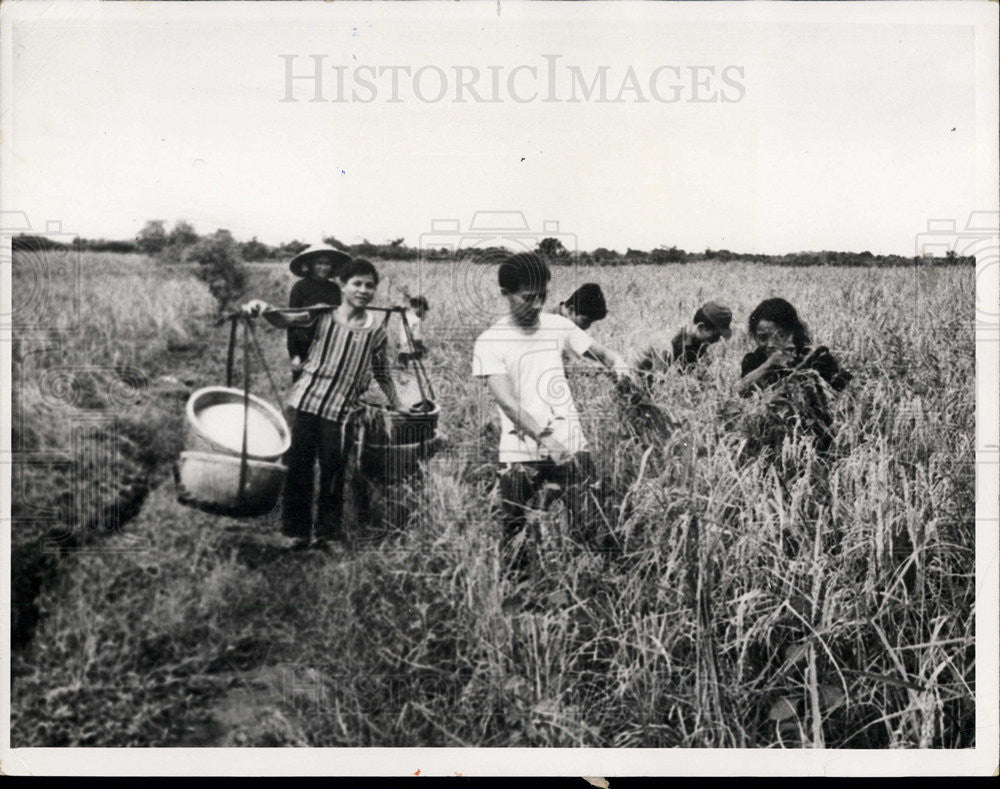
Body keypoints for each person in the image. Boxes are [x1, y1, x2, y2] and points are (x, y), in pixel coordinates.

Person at [472, 253, 632, 575]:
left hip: (571, 442)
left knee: (590, 521)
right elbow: (506, 400)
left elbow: (603, 353)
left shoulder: (560, 326)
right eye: (528, 298)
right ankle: (518, 600)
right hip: (521, 451)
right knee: (515, 532)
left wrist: (619, 364)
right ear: (505, 294)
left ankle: (590, 588)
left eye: (542, 296)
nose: (537, 305)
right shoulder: (490, 341)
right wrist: (545, 439)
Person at [242, 257, 401, 551]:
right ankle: (295, 532)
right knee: (298, 468)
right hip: (306, 401)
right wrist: (262, 307)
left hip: (341, 412)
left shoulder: (376, 330)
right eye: (357, 283)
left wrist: (398, 407)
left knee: (334, 471)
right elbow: (284, 319)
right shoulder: (321, 314)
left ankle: (328, 535)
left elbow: (383, 373)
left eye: (370, 285)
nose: (363, 290)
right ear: (342, 285)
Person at [737, 297, 851, 455]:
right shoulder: (754, 360)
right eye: (763, 338)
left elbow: (846, 391)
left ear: (792, 333)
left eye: (780, 336)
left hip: (816, 443)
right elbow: (741, 391)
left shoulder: (815, 356)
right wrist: (770, 364)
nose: (770, 344)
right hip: (769, 445)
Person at [286, 244, 350, 382]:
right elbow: (292, 322)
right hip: (304, 341)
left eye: (327, 263)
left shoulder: (334, 288)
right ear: (311, 265)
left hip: (328, 343)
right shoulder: (300, 287)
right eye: (319, 263)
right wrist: (295, 355)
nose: (323, 267)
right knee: (301, 384)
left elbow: (339, 318)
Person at [636, 301, 733, 385]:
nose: (716, 340)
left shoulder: (698, 345)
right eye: (715, 336)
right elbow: (656, 391)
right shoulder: (665, 346)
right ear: (701, 327)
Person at [398, 295, 429, 366]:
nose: (424, 313)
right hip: (411, 354)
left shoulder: (404, 318)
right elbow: (416, 339)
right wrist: (424, 349)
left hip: (401, 353)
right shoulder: (416, 320)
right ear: (420, 307)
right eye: (424, 310)